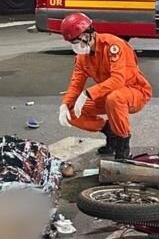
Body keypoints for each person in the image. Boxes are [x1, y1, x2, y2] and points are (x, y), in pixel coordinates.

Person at [57, 13, 152, 160]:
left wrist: (87, 94)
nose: (76, 46)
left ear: (88, 34)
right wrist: (64, 104)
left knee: (114, 98)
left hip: (135, 91)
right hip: (107, 94)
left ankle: (123, 148)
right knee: (71, 111)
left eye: (76, 41)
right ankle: (110, 132)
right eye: (72, 43)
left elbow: (118, 80)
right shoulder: (83, 57)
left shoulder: (113, 46)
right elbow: (76, 85)